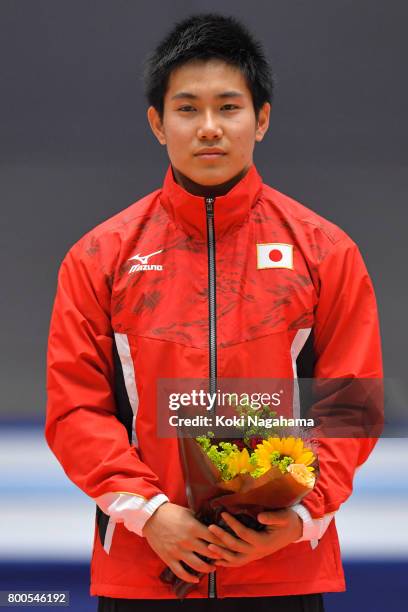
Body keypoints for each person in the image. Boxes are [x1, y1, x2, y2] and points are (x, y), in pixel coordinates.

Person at [45, 12, 383, 612]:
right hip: (148, 565)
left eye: (229, 107)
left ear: (263, 119)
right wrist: (151, 516)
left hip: (283, 569)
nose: (209, 128)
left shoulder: (325, 251)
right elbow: (75, 409)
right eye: (187, 109)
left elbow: (351, 403)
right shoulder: (100, 256)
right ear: (157, 123)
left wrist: (301, 514)